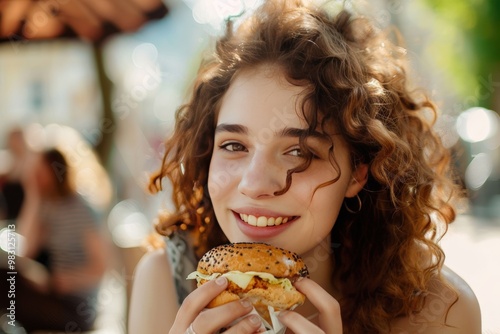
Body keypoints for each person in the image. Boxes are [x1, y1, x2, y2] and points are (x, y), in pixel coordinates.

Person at [128, 0, 481, 333]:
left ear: (358, 172)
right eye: (234, 146)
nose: (254, 184)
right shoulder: (165, 281)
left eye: (299, 152)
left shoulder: (442, 312)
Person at [0, 148, 109, 332]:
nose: (37, 178)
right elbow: (26, 252)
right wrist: (33, 196)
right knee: (6, 277)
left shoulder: (81, 208)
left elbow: (100, 267)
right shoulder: (46, 206)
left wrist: (64, 281)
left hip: (76, 307)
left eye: (40, 173)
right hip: (53, 294)